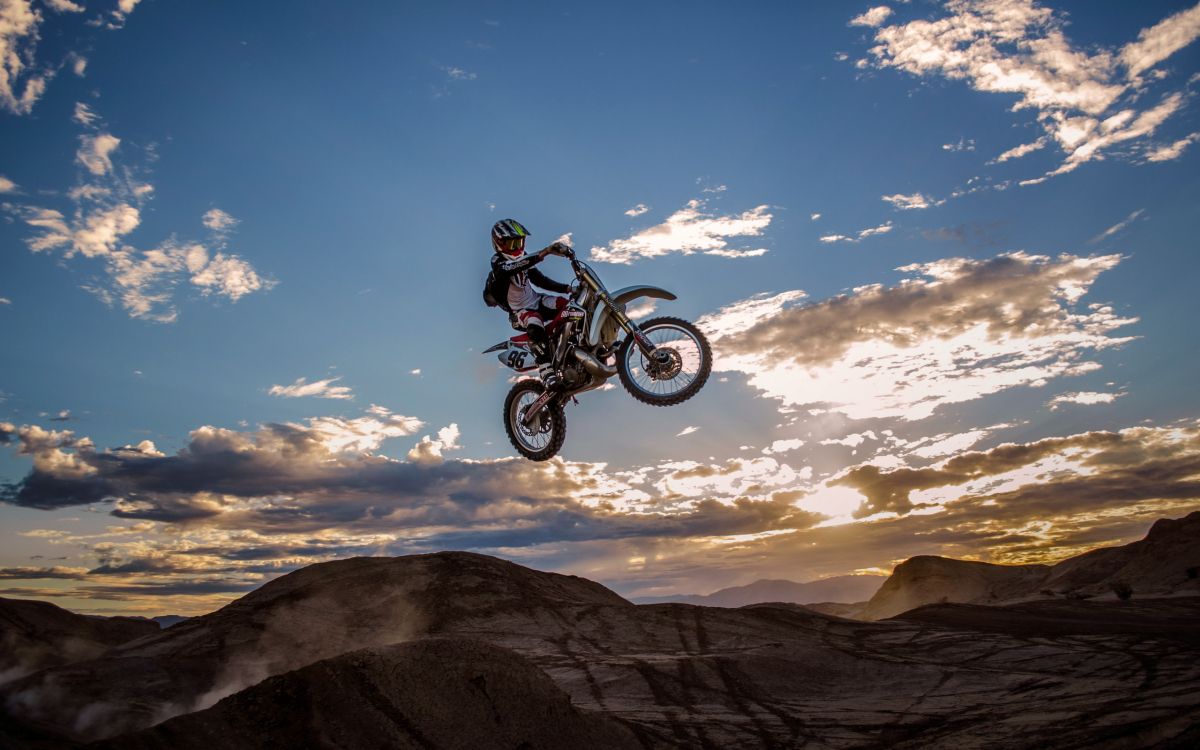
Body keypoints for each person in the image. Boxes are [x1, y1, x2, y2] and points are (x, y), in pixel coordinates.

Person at [489, 218, 573, 389]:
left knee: (569, 305)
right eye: (512, 244)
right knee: (534, 319)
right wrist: (545, 252)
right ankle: (546, 370)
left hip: (537, 300)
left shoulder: (525, 259)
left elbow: (540, 280)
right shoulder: (497, 262)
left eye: (519, 242)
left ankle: (575, 346)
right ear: (499, 244)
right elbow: (513, 267)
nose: (517, 248)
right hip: (519, 311)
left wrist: (568, 289)